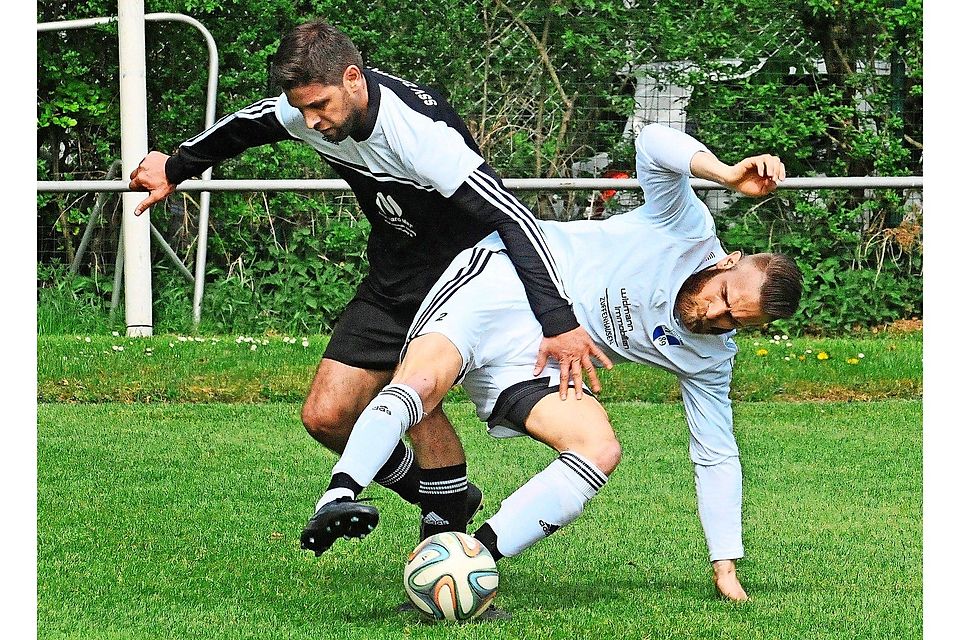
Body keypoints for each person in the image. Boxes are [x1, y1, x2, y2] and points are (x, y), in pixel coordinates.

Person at [127, 19, 612, 546]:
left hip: (463, 281)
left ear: (353, 79)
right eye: (303, 109)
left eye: (320, 108)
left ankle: (447, 543)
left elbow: (512, 217)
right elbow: (248, 124)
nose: (311, 122)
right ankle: (444, 494)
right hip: (393, 277)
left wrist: (558, 321)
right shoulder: (304, 109)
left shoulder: (418, 134)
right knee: (326, 416)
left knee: (414, 395)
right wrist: (175, 167)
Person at [302, 122, 803, 602]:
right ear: (727, 262)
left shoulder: (709, 356)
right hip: (507, 283)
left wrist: (725, 562)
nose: (713, 315)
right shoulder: (687, 227)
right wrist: (725, 173)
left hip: (545, 359)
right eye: (722, 297)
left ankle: (471, 556)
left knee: (598, 448)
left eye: (733, 321)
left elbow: (716, 452)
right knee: (423, 384)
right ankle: (338, 497)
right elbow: (651, 141)